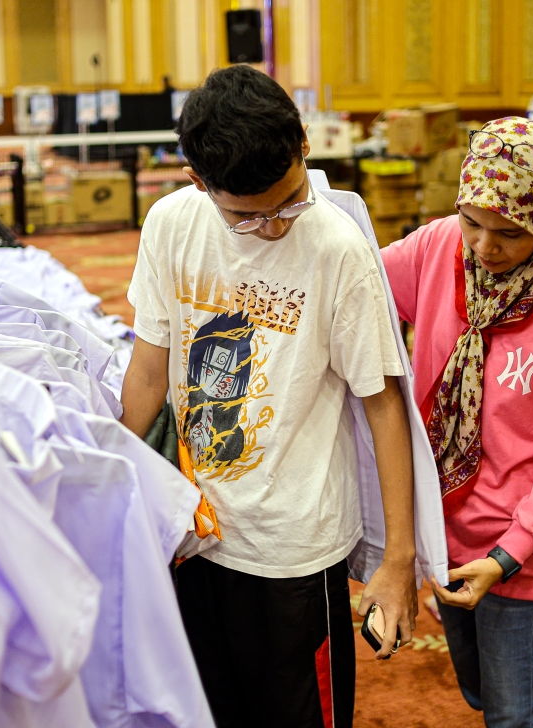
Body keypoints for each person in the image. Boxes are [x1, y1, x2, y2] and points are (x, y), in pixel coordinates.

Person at [121, 64, 418, 727]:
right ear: (200, 183)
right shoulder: (171, 224)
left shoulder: (337, 250)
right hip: (193, 532)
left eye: (292, 200)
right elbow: (147, 372)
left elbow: (383, 403)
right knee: (208, 706)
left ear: (302, 145)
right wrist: (125, 499)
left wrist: (397, 560)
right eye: (250, 218)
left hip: (293, 551)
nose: (280, 225)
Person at [381, 117, 533, 728]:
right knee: (482, 694)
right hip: (447, 539)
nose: (484, 248)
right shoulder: (440, 248)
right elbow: (356, 278)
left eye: (509, 233)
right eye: (472, 222)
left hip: (525, 555)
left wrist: (507, 556)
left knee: (516, 718)